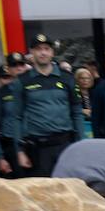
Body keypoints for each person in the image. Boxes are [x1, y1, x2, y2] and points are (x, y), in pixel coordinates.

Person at [8, 33, 84, 177]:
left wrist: (81, 145)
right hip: (37, 149)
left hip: (65, 145)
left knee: (69, 191)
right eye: (38, 49)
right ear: (31, 52)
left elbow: (77, 113)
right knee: (42, 195)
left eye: (46, 49)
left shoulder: (67, 78)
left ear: (52, 52)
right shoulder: (22, 81)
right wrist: (20, 151)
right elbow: (16, 117)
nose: (43, 52)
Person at [74, 67, 96, 137]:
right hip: (80, 125)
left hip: (93, 124)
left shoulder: (94, 92)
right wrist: (82, 111)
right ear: (77, 79)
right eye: (82, 78)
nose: (85, 80)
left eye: (87, 78)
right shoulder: (74, 93)